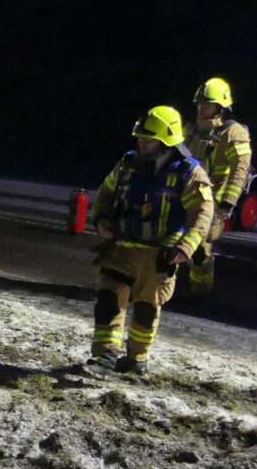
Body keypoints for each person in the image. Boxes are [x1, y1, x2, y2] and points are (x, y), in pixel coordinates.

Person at [84, 106, 214, 377]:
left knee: (146, 309)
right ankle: (104, 357)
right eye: (140, 138)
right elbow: (106, 193)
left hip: (159, 255)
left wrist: (186, 246)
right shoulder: (127, 163)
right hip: (120, 247)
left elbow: (202, 213)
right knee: (109, 299)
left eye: (148, 139)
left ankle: (136, 360)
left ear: (167, 141)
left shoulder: (189, 172)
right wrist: (102, 219)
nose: (141, 143)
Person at [182, 77, 252, 296]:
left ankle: (200, 293)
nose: (202, 107)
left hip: (210, 201)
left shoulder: (232, 133)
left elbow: (240, 169)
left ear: (220, 106)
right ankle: (162, 287)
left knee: (201, 251)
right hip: (182, 196)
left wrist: (227, 203)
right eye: (200, 103)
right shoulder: (190, 129)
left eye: (207, 103)